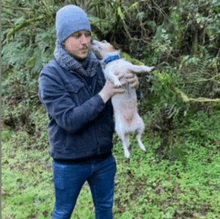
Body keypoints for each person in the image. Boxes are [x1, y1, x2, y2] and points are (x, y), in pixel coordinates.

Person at [38, 5, 139, 219]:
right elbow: (69, 120)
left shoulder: (103, 67)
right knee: (62, 212)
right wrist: (105, 93)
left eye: (87, 34)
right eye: (76, 36)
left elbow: (122, 103)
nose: (84, 41)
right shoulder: (50, 76)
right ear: (63, 39)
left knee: (104, 210)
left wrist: (133, 87)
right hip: (69, 162)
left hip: (104, 159)